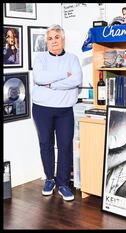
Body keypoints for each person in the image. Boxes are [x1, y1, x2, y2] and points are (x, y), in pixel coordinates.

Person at [32, 24, 83, 201]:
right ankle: (49, 179)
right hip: (42, 109)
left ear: (63, 39)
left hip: (64, 111)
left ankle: (62, 184)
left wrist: (51, 84)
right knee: (45, 144)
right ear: (46, 41)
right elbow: (39, 78)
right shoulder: (40, 59)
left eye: (57, 37)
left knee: (65, 146)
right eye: (50, 38)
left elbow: (76, 80)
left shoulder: (73, 59)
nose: (53, 41)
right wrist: (64, 75)